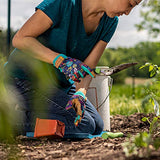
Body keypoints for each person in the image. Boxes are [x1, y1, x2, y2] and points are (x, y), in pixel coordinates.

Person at [4, 0, 142, 136]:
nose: (128, 12)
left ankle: (31, 112)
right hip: (24, 79)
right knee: (83, 125)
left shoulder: (110, 22)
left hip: (58, 85)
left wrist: (81, 93)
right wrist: (59, 60)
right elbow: (20, 38)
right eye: (130, 4)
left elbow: (88, 67)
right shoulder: (63, 3)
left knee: (97, 125)